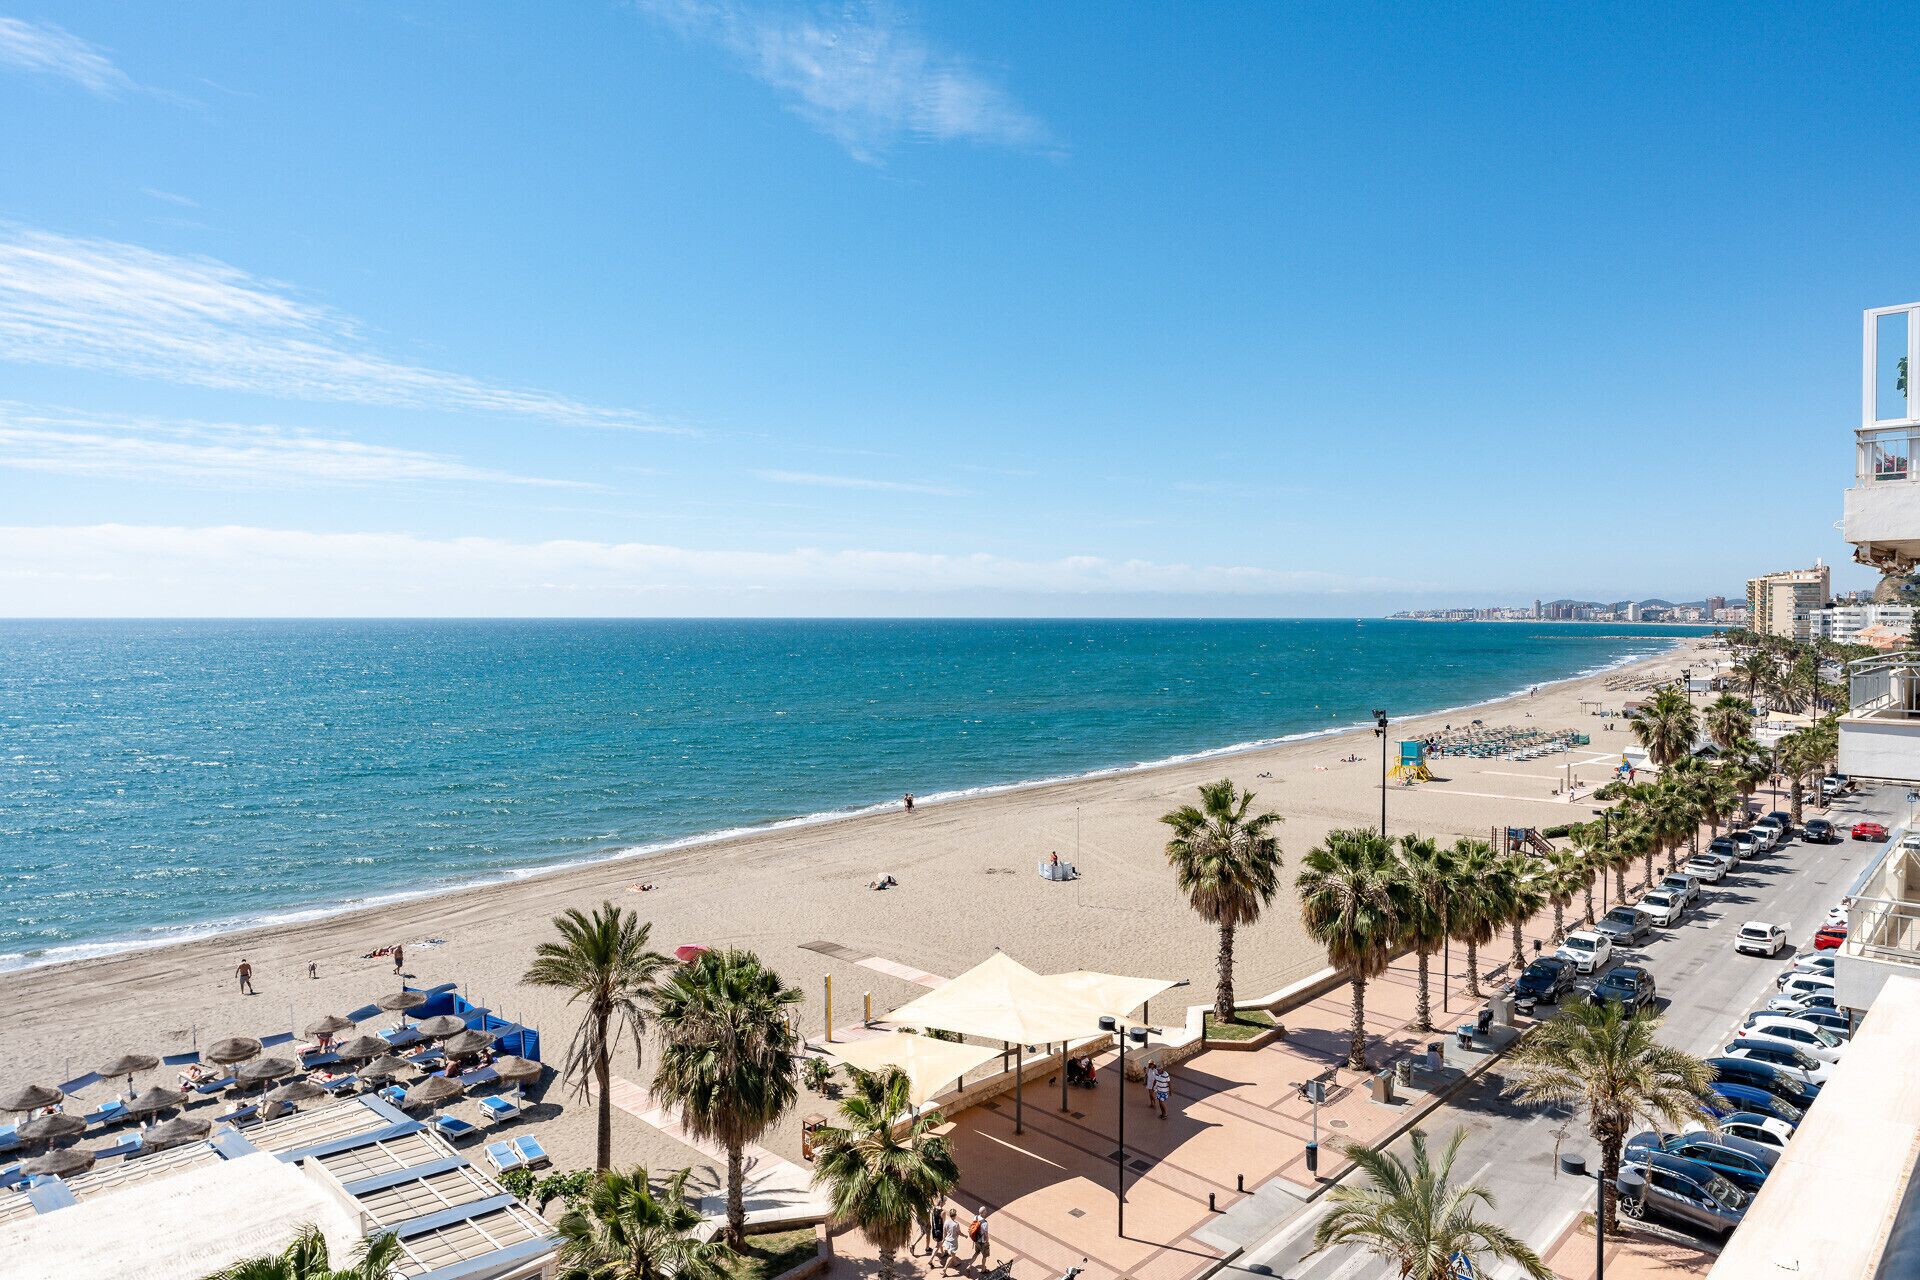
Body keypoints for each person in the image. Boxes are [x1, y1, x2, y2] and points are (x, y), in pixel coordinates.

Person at [940, 1207, 960, 1274]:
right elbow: (958, 1232)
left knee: (952, 1254)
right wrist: (964, 1235)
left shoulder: (946, 1222)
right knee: (951, 1255)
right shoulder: (956, 1224)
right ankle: (945, 1269)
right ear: (955, 1215)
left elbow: (944, 1231)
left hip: (947, 1241)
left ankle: (955, 1263)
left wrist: (943, 1239)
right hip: (953, 1242)